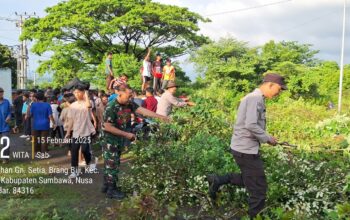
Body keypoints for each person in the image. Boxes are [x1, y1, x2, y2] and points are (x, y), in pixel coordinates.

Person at [206, 73, 287, 219]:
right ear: (270, 85)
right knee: (258, 189)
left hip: (244, 148)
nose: (279, 93)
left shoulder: (256, 98)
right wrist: (267, 138)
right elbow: (250, 124)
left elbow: (252, 124)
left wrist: (267, 137)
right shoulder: (254, 99)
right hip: (245, 150)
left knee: (252, 180)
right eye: (279, 89)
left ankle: (218, 179)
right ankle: (254, 217)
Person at [100, 84, 169, 199]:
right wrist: (127, 134)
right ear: (120, 94)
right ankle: (111, 190)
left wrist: (161, 117)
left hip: (119, 139)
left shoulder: (129, 103)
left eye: (131, 95)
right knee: (112, 163)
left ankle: (107, 186)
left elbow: (142, 111)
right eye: (128, 96)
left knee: (112, 162)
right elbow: (107, 127)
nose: (130, 98)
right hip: (110, 140)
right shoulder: (111, 107)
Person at [65, 85, 96, 178]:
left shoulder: (88, 102)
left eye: (78, 92)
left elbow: (89, 106)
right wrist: (68, 132)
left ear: (83, 93)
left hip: (86, 130)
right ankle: (74, 171)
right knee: (74, 151)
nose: (76, 94)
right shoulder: (73, 105)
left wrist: (86, 95)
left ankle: (90, 163)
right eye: (75, 92)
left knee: (85, 150)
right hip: (76, 131)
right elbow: (71, 120)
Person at [0, 87, 11, 164]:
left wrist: (9, 116)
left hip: (5, 126)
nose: (0, 93)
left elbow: (9, 112)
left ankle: (5, 158)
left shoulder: (6, 102)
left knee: (5, 142)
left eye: (1, 92)